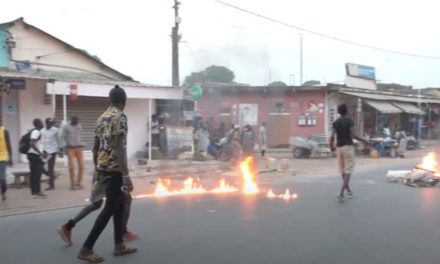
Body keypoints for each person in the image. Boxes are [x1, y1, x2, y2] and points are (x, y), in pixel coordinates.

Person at [77, 85, 137, 263]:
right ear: (124, 101)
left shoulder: (101, 117)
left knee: (119, 206)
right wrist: (125, 174)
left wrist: (97, 169)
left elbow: (95, 147)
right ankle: (86, 248)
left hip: (103, 168)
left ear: (109, 100)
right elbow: (119, 146)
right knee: (110, 209)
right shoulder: (120, 117)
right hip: (114, 170)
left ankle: (119, 245)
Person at [329, 104, 368, 202]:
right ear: (346, 111)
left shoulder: (335, 123)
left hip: (339, 148)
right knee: (348, 170)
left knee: (343, 170)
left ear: (338, 112)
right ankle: (342, 193)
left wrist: (331, 147)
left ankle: (348, 191)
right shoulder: (349, 121)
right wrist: (363, 140)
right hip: (348, 147)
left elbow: (332, 136)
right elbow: (353, 135)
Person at [60, 116, 84, 190]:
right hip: (70, 149)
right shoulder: (66, 127)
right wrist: (64, 148)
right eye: (75, 121)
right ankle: (72, 184)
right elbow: (62, 137)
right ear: (71, 120)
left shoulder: (79, 126)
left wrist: (81, 143)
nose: (77, 123)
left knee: (82, 166)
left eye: (77, 121)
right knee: (72, 167)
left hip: (79, 148)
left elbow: (79, 136)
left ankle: (78, 183)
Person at [28, 118, 47, 198]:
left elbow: (36, 143)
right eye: (41, 122)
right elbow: (32, 143)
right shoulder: (36, 131)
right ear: (38, 124)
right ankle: (37, 192)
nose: (43, 124)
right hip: (34, 155)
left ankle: (34, 192)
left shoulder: (36, 132)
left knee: (33, 174)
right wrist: (40, 153)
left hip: (32, 155)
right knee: (37, 174)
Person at [41, 118, 61, 190]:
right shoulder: (42, 131)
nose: (51, 125)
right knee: (40, 167)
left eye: (52, 123)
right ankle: (51, 176)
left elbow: (59, 140)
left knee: (51, 168)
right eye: (50, 123)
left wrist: (60, 150)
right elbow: (41, 141)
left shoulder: (55, 130)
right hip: (44, 151)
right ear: (47, 123)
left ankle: (51, 185)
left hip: (52, 152)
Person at [0, 126, 12, 201]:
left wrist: (10, 158)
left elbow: (8, 145)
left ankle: (3, 193)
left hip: (2, 157)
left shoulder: (4, 131)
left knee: (2, 179)